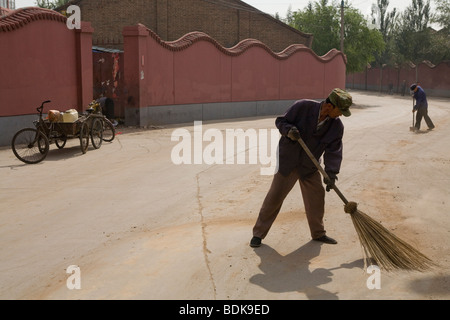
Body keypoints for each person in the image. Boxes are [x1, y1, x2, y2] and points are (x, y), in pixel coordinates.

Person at [250, 88, 353, 248]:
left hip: (310, 166)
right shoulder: (303, 107)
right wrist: (289, 131)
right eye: (340, 111)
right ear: (329, 106)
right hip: (289, 161)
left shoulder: (336, 127)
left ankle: (318, 233)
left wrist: (331, 174)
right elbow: (280, 121)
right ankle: (258, 234)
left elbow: (334, 151)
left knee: (317, 198)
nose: (341, 115)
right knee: (275, 197)